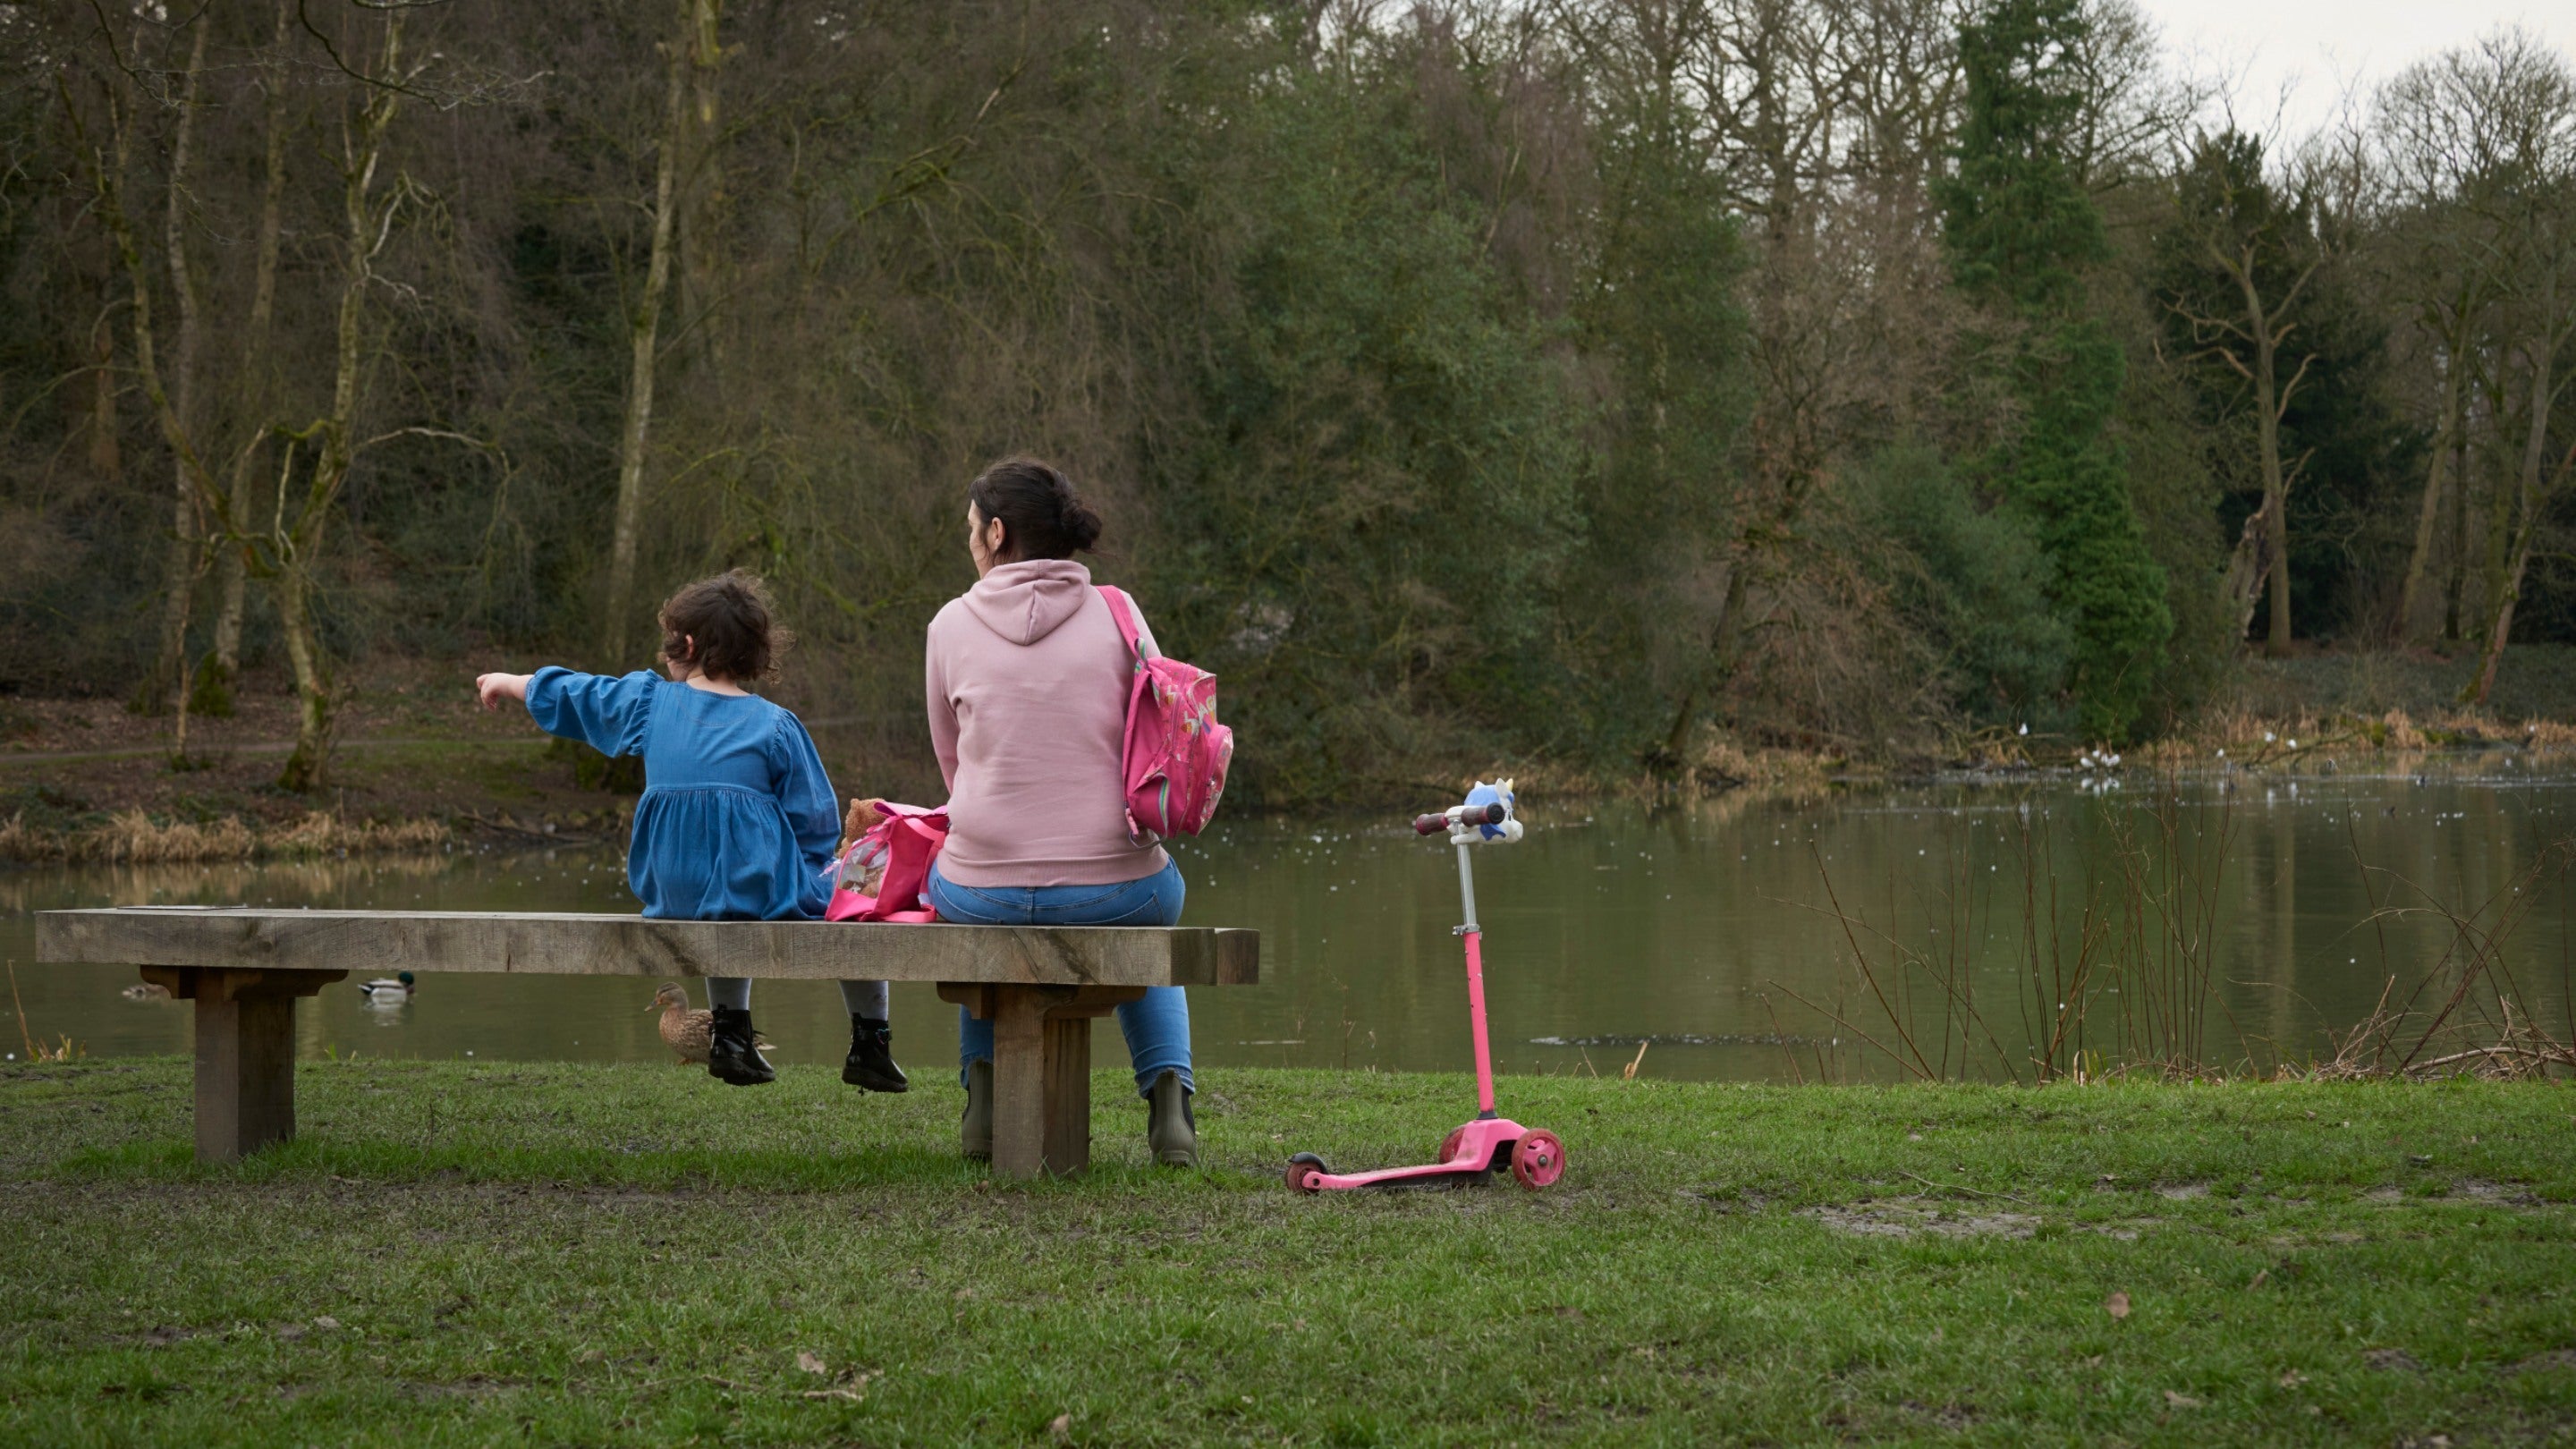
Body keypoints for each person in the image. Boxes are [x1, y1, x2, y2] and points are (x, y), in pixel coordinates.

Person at [474, 570, 906, 1093]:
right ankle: (870, 1044)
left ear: (689, 643)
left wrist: (512, 683)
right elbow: (813, 820)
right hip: (749, 888)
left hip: (671, 889)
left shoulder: (648, 705)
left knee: (723, 897)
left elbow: (583, 696)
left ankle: (729, 1037)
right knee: (857, 885)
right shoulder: (775, 726)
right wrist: (819, 865)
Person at [925, 455, 1197, 1166]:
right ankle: (1170, 1102)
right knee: (1159, 908)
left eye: (971, 528)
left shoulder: (948, 625)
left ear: (997, 532)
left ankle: (983, 1102)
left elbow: (953, 768)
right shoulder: (1120, 610)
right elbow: (1159, 738)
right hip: (1115, 888)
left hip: (981, 889)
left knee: (968, 901)